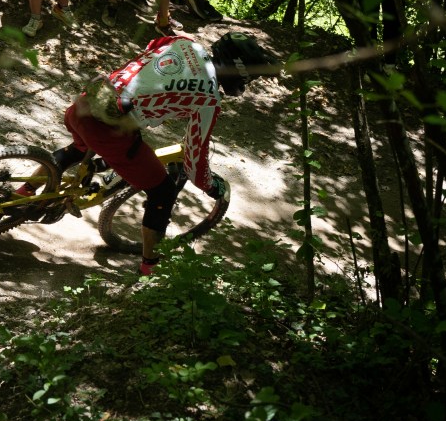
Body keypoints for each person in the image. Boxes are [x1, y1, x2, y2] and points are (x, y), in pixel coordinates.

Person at [21, 31, 279, 275]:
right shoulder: (209, 98)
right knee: (163, 191)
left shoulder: (183, 42)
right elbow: (195, 160)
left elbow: (150, 52)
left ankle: (24, 192)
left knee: (78, 148)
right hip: (108, 129)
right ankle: (149, 269)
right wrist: (212, 187)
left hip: (88, 100)